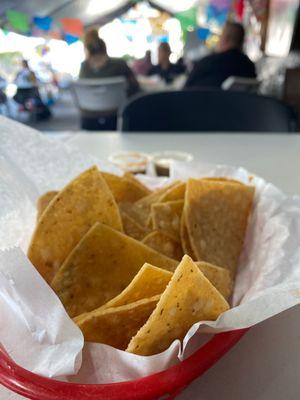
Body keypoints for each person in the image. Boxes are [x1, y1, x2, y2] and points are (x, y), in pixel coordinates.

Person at [185, 21, 256, 88]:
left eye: (220, 37)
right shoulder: (249, 67)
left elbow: (185, 89)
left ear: (225, 39)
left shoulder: (207, 63)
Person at [79, 29, 139, 97]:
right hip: (121, 106)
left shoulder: (84, 67)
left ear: (87, 51)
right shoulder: (120, 64)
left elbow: (82, 92)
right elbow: (135, 87)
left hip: (89, 107)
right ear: (105, 48)